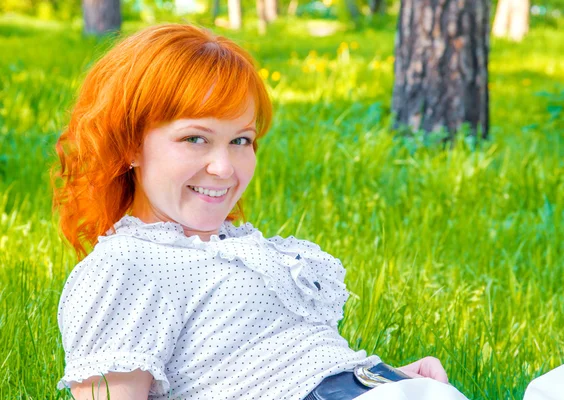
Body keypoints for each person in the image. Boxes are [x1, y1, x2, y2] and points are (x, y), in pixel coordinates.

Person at [54, 24, 466, 400]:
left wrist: (382, 376)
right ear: (130, 144)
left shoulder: (231, 247)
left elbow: (268, 363)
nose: (225, 167)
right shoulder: (125, 265)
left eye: (241, 140)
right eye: (196, 138)